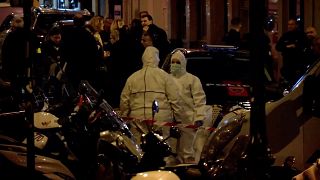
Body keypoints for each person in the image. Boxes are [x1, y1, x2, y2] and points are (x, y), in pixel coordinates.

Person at [120, 46, 187, 164]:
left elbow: (124, 100)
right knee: (162, 148)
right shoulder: (165, 76)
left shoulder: (132, 78)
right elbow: (175, 100)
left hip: (137, 119)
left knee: (139, 150)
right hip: (161, 119)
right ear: (157, 59)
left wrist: (125, 118)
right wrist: (178, 119)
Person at [169, 50, 208, 163]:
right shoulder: (166, 79)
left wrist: (199, 117)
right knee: (171, 151)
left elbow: (199, 100)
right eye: (173, 62)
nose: (175, 65)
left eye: (178, 62)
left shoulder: (192, 79)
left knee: (187, 152)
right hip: (170, 119)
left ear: (183, 63)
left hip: (187, 119)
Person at [276, 18, 307, 86]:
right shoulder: (285, 35)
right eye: (289, 24)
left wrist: (295, 46)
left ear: (296, 25)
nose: (290, 26)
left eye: (292, 24)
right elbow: (278, 47)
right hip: (287, 64)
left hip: (298, 64)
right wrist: (287, 47)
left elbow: (304, 45)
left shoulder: (301, 35)